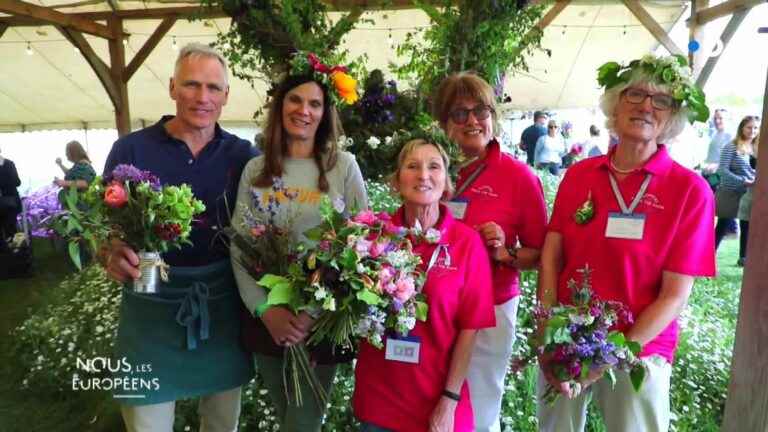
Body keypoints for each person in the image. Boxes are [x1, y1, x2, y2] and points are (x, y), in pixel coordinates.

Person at [537, 54, 716, 432]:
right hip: (568, 340)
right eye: (635, 94)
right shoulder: (579, 175)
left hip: (640, 348)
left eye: (661, 100)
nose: (647, 106)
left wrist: (611, 355)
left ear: (672, 117)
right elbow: (552, 255)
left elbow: (674, 296)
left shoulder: (691, 191)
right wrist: (549, 328)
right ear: (615, 104)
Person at [100, 43, 257, 432]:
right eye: (191, 85)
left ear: (226, 96)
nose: (202, 98)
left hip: (222, 305)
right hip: (149, 304)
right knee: (146, 422)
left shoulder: (244, 156)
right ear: (172, 88)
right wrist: (111, 250)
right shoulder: (131, 149)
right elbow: (107, 227)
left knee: (223, 424)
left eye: (213, 88)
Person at [230, 52, 367, 432]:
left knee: (304, 420)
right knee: (286, 412)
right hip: (269, 319)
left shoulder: (343, 166)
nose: (303, 110)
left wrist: (312, 313)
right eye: (295, 100)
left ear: (325, 113)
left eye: (314, 103)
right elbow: (240, 247)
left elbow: (360, 244)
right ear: (280, 105)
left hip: (322, 320)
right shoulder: (255, 169)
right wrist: (264, 310)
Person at [353, 138, 496, 432]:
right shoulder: (373, 238)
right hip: (380, 400)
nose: (423, 175)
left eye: (434, 166)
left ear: (446, 182)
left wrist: (449, 400)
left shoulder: (467, 244)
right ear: (396, 181)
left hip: (438, 400)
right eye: (412, 166)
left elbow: (470, 330)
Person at [432, 72, 548, 432]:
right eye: (459, 113)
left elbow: (540, 253)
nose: (471, 121)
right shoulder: (433, 169)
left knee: (481, 400)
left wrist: (504, 254)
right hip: (433, 304)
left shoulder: (519, 178)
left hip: (492, 305)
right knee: (434, 397)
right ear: (443, 123)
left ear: (493, 116)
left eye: (480, 110)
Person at [714, 115, 758, 252]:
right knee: (723, 225)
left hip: (748, 193)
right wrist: (743, 181)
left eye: (756, 127)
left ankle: (743, 258)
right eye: (749, 127)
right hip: (730, 192)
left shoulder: (757, 148)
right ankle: (709, 255)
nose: (753, 131)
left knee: (746, 225)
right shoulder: (731, 146)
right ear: (742, 128)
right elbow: (722, 170)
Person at [736, 133, 759, 267]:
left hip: (755, 196)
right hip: (749, 195)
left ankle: (747, 256)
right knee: (745, 226)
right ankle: (743, 257)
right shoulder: (751, 155)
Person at [0, 147, 22, 240]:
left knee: (9, 231)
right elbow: (17, 182)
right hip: (11, 202)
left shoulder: (8, 164)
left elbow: (17, 182)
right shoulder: (9, 163)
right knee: (9, 231)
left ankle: (13, 252)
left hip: (7, 203)